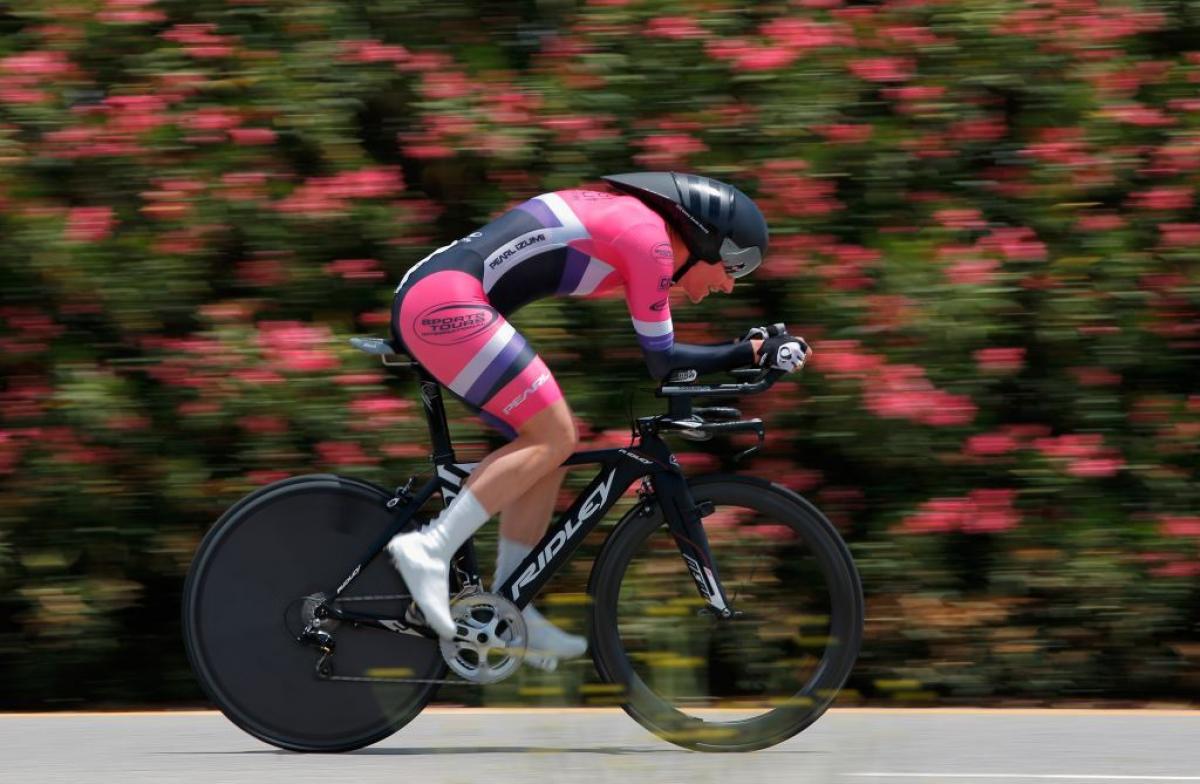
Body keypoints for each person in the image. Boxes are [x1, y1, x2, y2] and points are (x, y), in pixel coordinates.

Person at [386, 172, 809, 669]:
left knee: (550, 452)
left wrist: (744, 351)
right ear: (703, 237)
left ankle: (508, 605)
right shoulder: (649, 242)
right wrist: (751, 350)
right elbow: (664, 360)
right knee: (554, 434)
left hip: (440, 294)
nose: (729, 283)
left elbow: (664, 357)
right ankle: (430, 548)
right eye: (733, 265)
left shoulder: (638, 228)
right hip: (444, 302)